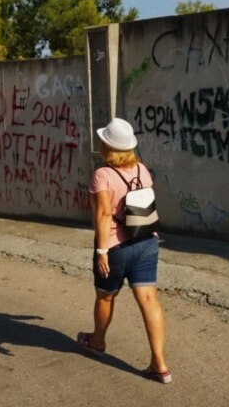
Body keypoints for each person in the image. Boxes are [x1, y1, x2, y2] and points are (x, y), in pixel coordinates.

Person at [77, 118, 172, 384]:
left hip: (115, 246)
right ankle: (159, 364)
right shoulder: (142, 169)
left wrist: (101, 251)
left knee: (105, 297)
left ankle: (97, 342)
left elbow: (104, 213)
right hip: (146, 241)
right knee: (149, 300)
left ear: (107, 146)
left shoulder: (102, 174)